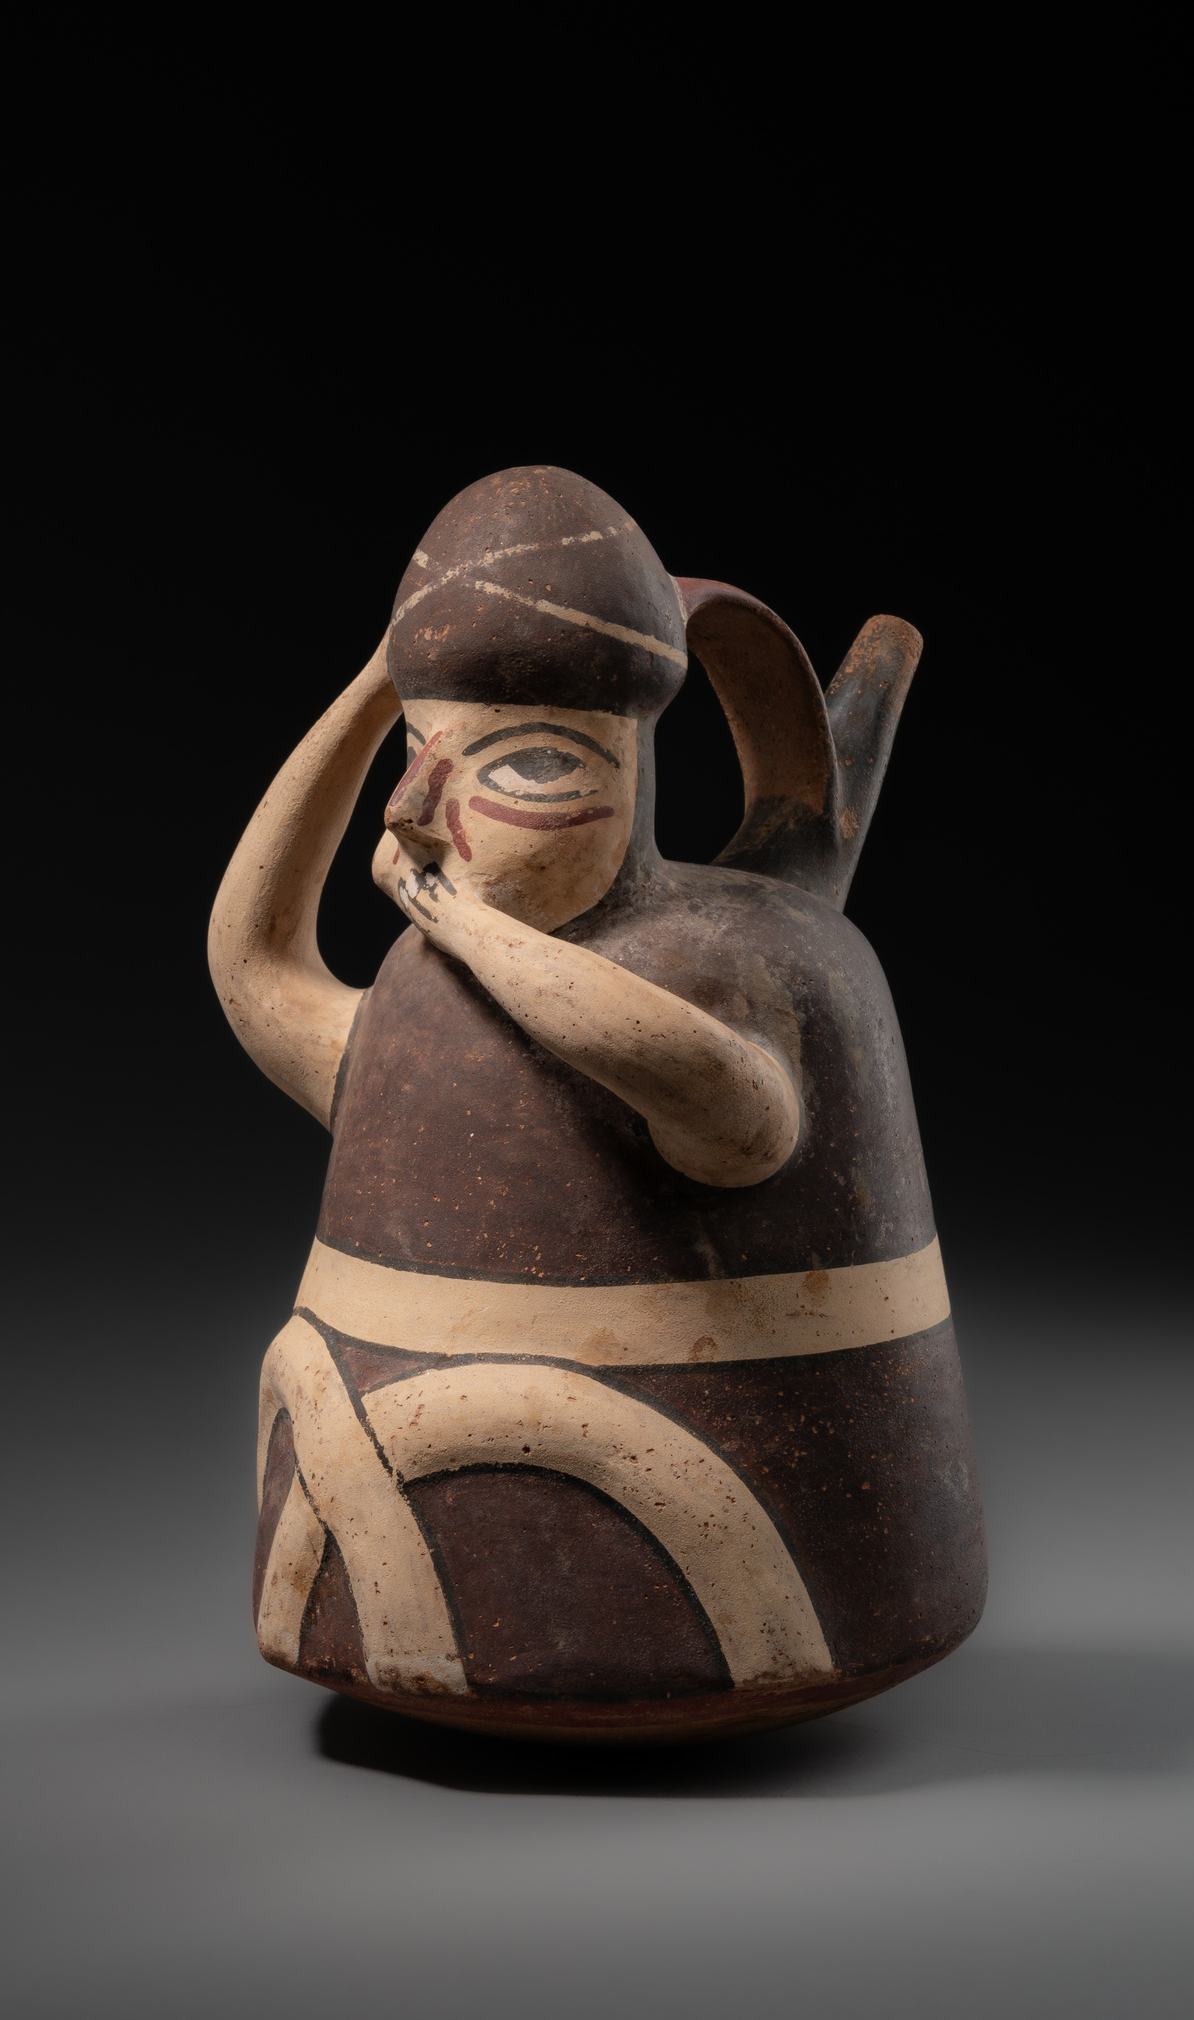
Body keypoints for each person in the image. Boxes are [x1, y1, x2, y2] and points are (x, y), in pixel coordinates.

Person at [209, 465, 985, 1742]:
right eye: (415, 755)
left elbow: (736, 1112)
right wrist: (379, 679)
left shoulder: (736, 967)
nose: (412, 812)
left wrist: (467, 926)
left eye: (522, 763)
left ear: (630, 773)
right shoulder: (417, 993)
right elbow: (254, 963)